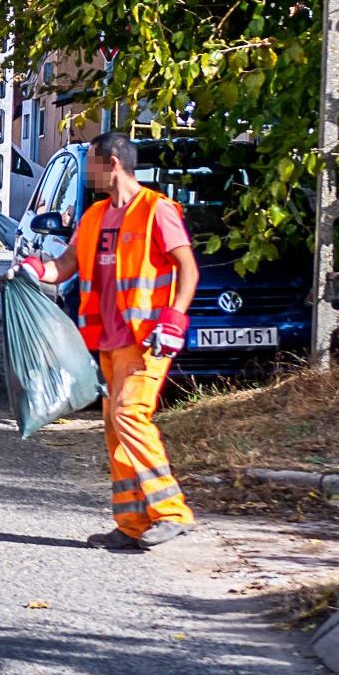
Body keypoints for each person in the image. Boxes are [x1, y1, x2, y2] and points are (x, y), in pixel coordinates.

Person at [15, 130, 200, 549]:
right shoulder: (95, 217)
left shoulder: (157, 211)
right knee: (115, 428)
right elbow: (64, 266)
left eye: (94, 165)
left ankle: (172, 512)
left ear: (112, 164)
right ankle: (132, 524)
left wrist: (174, 320)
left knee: (130, 416)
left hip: (149, 339)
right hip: (109, 343)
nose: (92, 174)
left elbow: (187, 268)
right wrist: (32, 269)